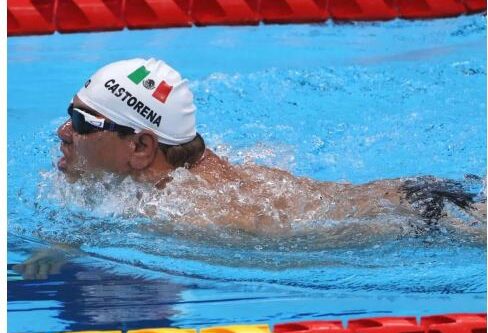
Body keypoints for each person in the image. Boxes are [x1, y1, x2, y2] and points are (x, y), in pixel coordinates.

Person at [57, 58, 486, 245]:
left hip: (433, 219)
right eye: (71, 114)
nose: (64, 131)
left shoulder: (191, 214)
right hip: (414, 199)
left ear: (141, 146)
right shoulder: (182, 171)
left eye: (82, 122)